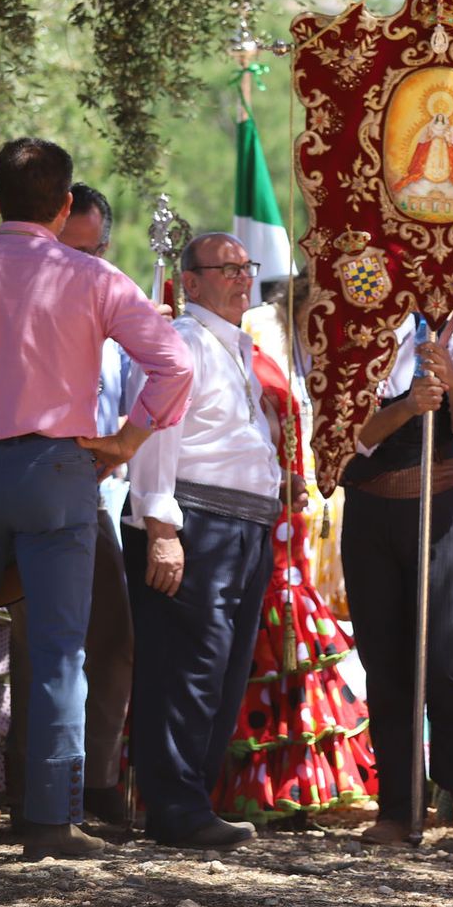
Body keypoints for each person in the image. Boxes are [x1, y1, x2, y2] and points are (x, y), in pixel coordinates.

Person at [0, 139, 191, 860]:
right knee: (59, 650)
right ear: (65, 204)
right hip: (58, 470)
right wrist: (127, 441)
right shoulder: (94, 277)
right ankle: (49, 821)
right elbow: (174, 362)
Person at [125, 233, 282, 849]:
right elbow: (155, 435)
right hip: (196, 521)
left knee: (222, 670)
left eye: (247, 267)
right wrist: (161, 528)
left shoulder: (237, 346)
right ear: (189, 281)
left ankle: (191, 803)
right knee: (187, 668)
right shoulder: (182, 341)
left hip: (245, 523)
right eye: (227, 269)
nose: (243, 278)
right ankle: (175, 809)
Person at [215, 278, 375, 823]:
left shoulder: (348, 344)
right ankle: (249, 782)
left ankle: (296, 780)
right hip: (268, 505)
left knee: (303, 622)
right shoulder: (257, 334)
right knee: (268, 623)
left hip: (321, 505)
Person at [340, 312, 453, 845]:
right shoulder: (358, 332)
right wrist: (408, 406)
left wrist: (451, 379)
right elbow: (349, 440)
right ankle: (397, 805)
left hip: (435, 515)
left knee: (446, 659)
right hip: (370, 516)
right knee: (385, 662)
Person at [4, 183, 136, 829]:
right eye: (66, 248)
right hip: (27, 481)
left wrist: (125, 444)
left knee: (105, 640)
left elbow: (158, 378)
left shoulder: (112, 304)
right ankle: (33, 792)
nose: (76, 263)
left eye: (91, 251)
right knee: (44, 646)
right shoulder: (14, 297)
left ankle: (94, 783)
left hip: (90, 492)